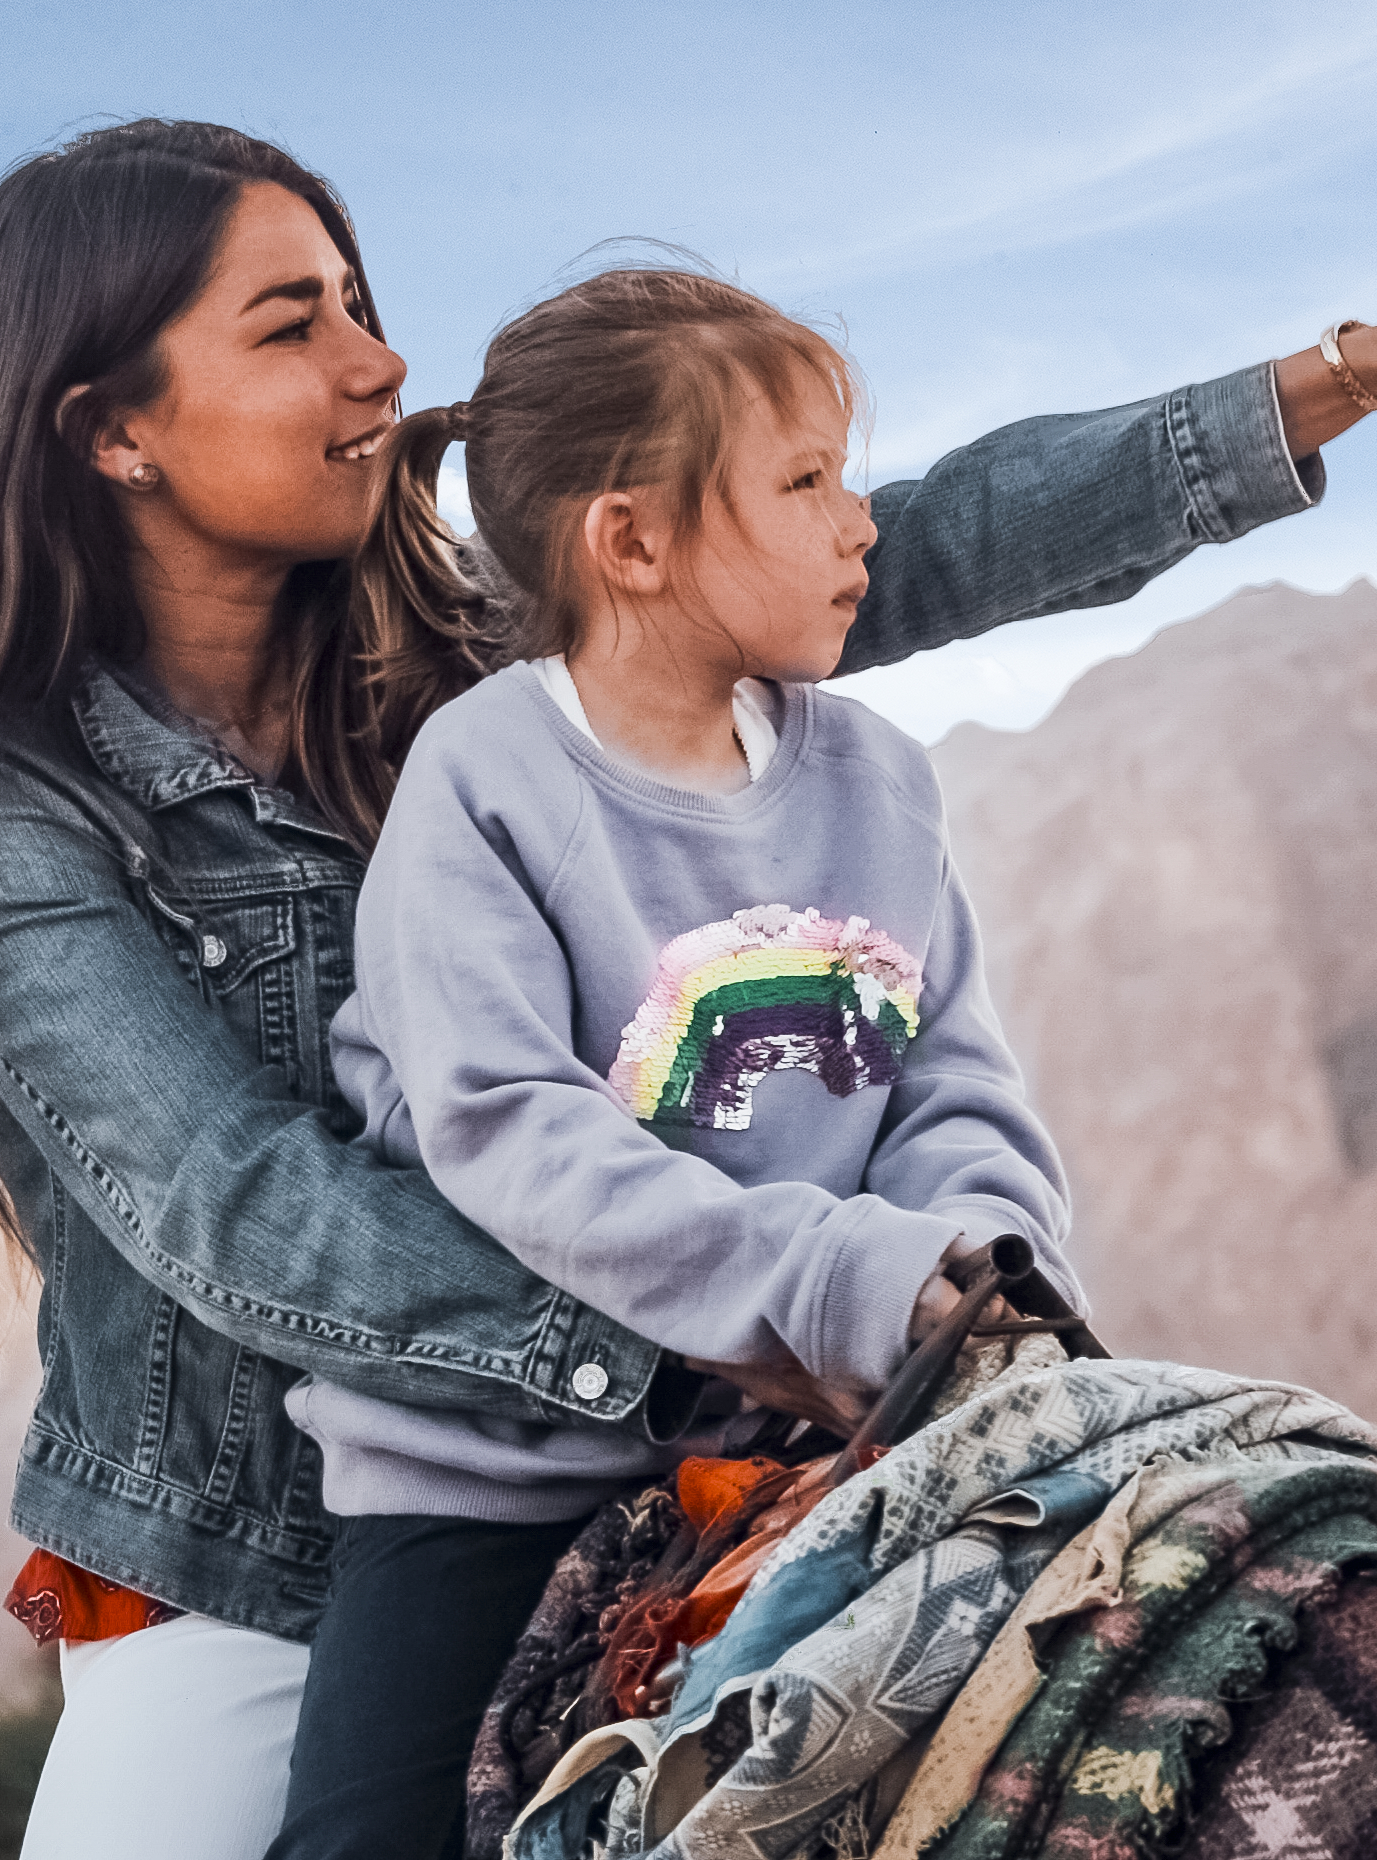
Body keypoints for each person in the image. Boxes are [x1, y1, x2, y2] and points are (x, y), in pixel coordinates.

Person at [0, 116, 1377, 1860]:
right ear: (110, 430)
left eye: (367, 305)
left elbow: (898, 534)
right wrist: (743, 1330)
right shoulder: (13, 817)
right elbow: (247, 1216)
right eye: (293, 325)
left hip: (743, 1407)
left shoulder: (495, 644)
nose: (379, 363)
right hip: (284, 1567)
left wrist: (1367, 367)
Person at [272, 266, 1083, 1856]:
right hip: (494, 1474)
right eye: (803, 481)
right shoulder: (487, 783)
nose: (859, 522)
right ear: (630, 540)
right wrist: (842, 1279)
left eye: (846, 474)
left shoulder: (878, 780)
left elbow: (952, 1082)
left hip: (830, 1426)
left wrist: (979, 1271)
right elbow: (506, 1128)